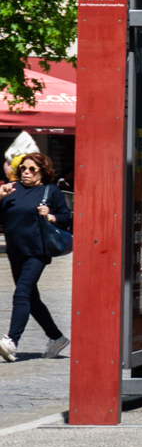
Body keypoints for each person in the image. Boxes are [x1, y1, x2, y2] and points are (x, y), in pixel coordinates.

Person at [0, 153, 72, 362]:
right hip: (15, 251)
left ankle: (11, 341)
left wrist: (50, 216)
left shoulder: (51, 191)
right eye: (23, 168)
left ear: (42, 171)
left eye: (32, 169)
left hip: (37, 251)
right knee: (32, 298)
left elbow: (66, 218)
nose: (26, 172)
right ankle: (56, 338)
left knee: (21, 292)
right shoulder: (12, 189)